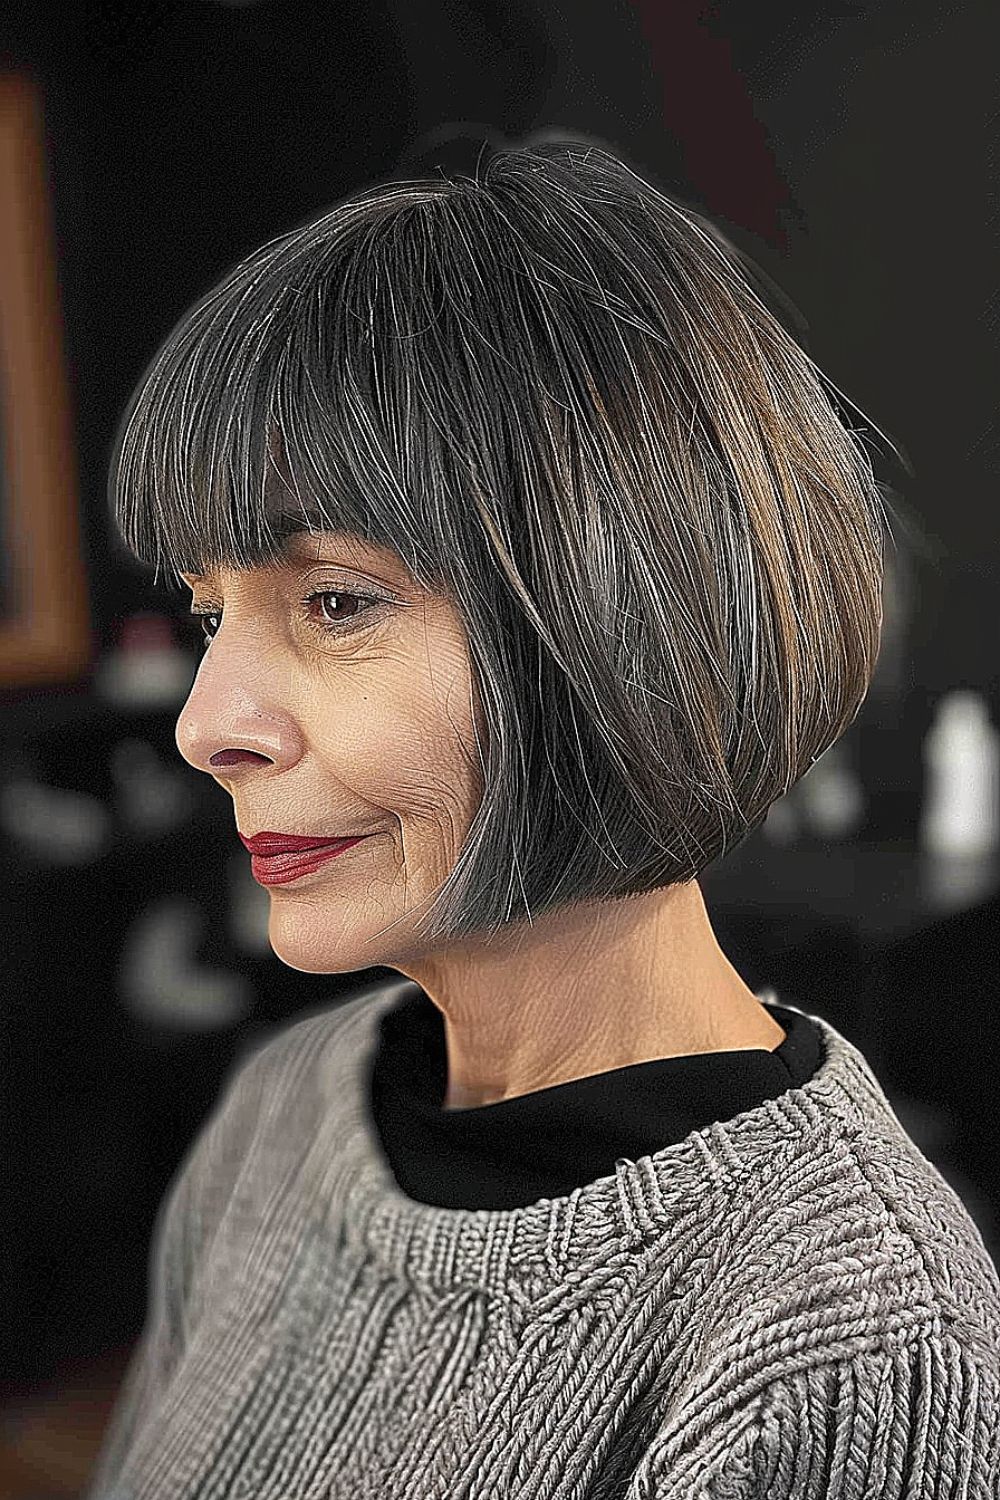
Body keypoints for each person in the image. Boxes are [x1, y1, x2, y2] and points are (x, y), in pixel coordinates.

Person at [86, 141, 999, 1498]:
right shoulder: (282, 1116)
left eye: (334, 601)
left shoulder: (848, 1341)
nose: (206, 724)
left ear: (623, 625)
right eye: (215, 612)